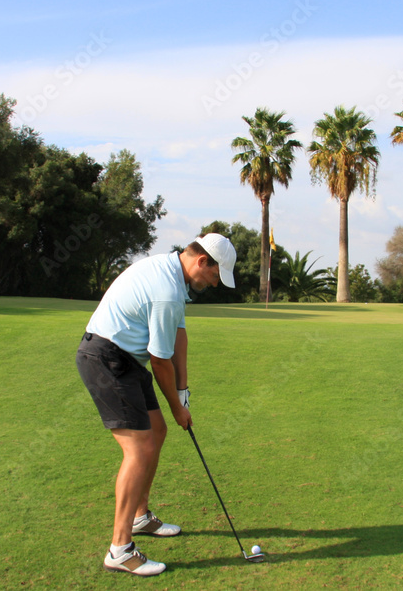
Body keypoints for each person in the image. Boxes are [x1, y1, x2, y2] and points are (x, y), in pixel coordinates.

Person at [75, 233, 237, 576]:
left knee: (157, 431)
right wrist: (178, 409)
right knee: (139, 449)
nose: (214, 284)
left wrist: (183, 391)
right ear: (202, 261)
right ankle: (120, 550)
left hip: (126, 361)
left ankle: (140, 517)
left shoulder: (172, 274)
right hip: (106, 359)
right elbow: (160, 360)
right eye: (214, 275)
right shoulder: (167, 291)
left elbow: (179, 335)